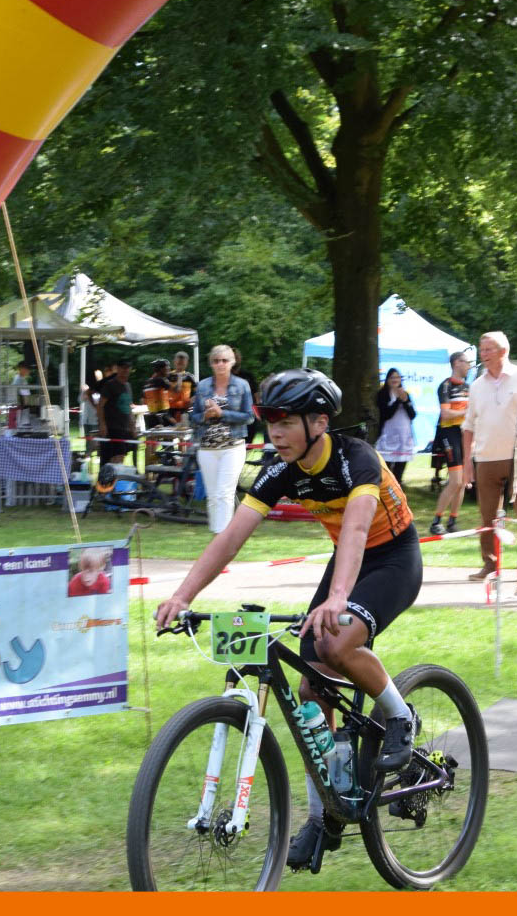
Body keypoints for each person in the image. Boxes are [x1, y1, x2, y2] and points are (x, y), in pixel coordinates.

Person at [155, 368, 420, 871]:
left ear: (318, 422)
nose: (274, 432)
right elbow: (232, 536)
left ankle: (399, 714)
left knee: (337, 644)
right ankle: (325, 814)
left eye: (285, 421)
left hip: (392, 559)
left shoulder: (357, 459)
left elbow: (357, 529)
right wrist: (182, 596)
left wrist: (338, 597)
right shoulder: (281, 470)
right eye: (269, 421)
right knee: (310, 690)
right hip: (347, 559)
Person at [462, 332, 517, 583]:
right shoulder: (477, 385)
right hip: (486, 458)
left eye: (489, 349)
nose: (483, 354)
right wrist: (467, 462)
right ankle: (490, 565)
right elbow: (468, 426)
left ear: (503, 352)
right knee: (487, 516)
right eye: (482, 350)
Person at [189, 344, 254, 533]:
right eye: (216, 361)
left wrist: (222, 413)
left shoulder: (242, 385)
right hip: (207, 448)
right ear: (211, 363)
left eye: (225, 360)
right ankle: (217, 535)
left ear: (232, 362)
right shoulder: (202, 386)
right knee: (212, 496)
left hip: (232, 446)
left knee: (225, 493)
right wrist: (204, 416)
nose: (220, 364)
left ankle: (221, 538)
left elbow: (249, 417)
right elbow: (193, 418)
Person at [428, 350, 472, 535]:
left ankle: (452, 521)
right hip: (449, 433)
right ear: (456, 363)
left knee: (462, 482)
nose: (469, 366)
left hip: (464, 434)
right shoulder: (446, 386)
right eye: (466, 362)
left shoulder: (469, 387)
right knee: (455, 481)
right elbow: (446, 414)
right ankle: (436, 521)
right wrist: (467, 412)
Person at [374, 368, 416, 482]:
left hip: (404, 436)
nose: (395, 380)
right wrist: (398, 400)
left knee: (399, 471)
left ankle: (398, 487)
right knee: (385, 469)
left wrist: (405, 401)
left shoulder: (405, 394)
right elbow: (386, 415)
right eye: (392, 377)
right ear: (387, 379)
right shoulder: (382, 394)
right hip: (388, 436)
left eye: (397, 377)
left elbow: (412, 415)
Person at [98, 358, 135, 466]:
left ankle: (115, 475)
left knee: (121, 455)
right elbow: (100, 405)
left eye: (128, 368)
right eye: (123, 368)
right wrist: (102, 424)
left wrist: (132, 426)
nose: (125, 370)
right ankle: (110, 475)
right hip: (112, 427)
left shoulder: (128, 386)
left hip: (124, 427)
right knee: (115, 457)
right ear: (118, 369)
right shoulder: (110, 385)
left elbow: (128, 407)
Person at [167, 350, 196, 423]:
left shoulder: (190, 377)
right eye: (179, 363)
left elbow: (197, 392)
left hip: (185, 411)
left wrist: (191, 400)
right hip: (169, 411)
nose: (180, 365)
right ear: (174, 361)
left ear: (187, 363)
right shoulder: (168, 376)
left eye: (182, 363)